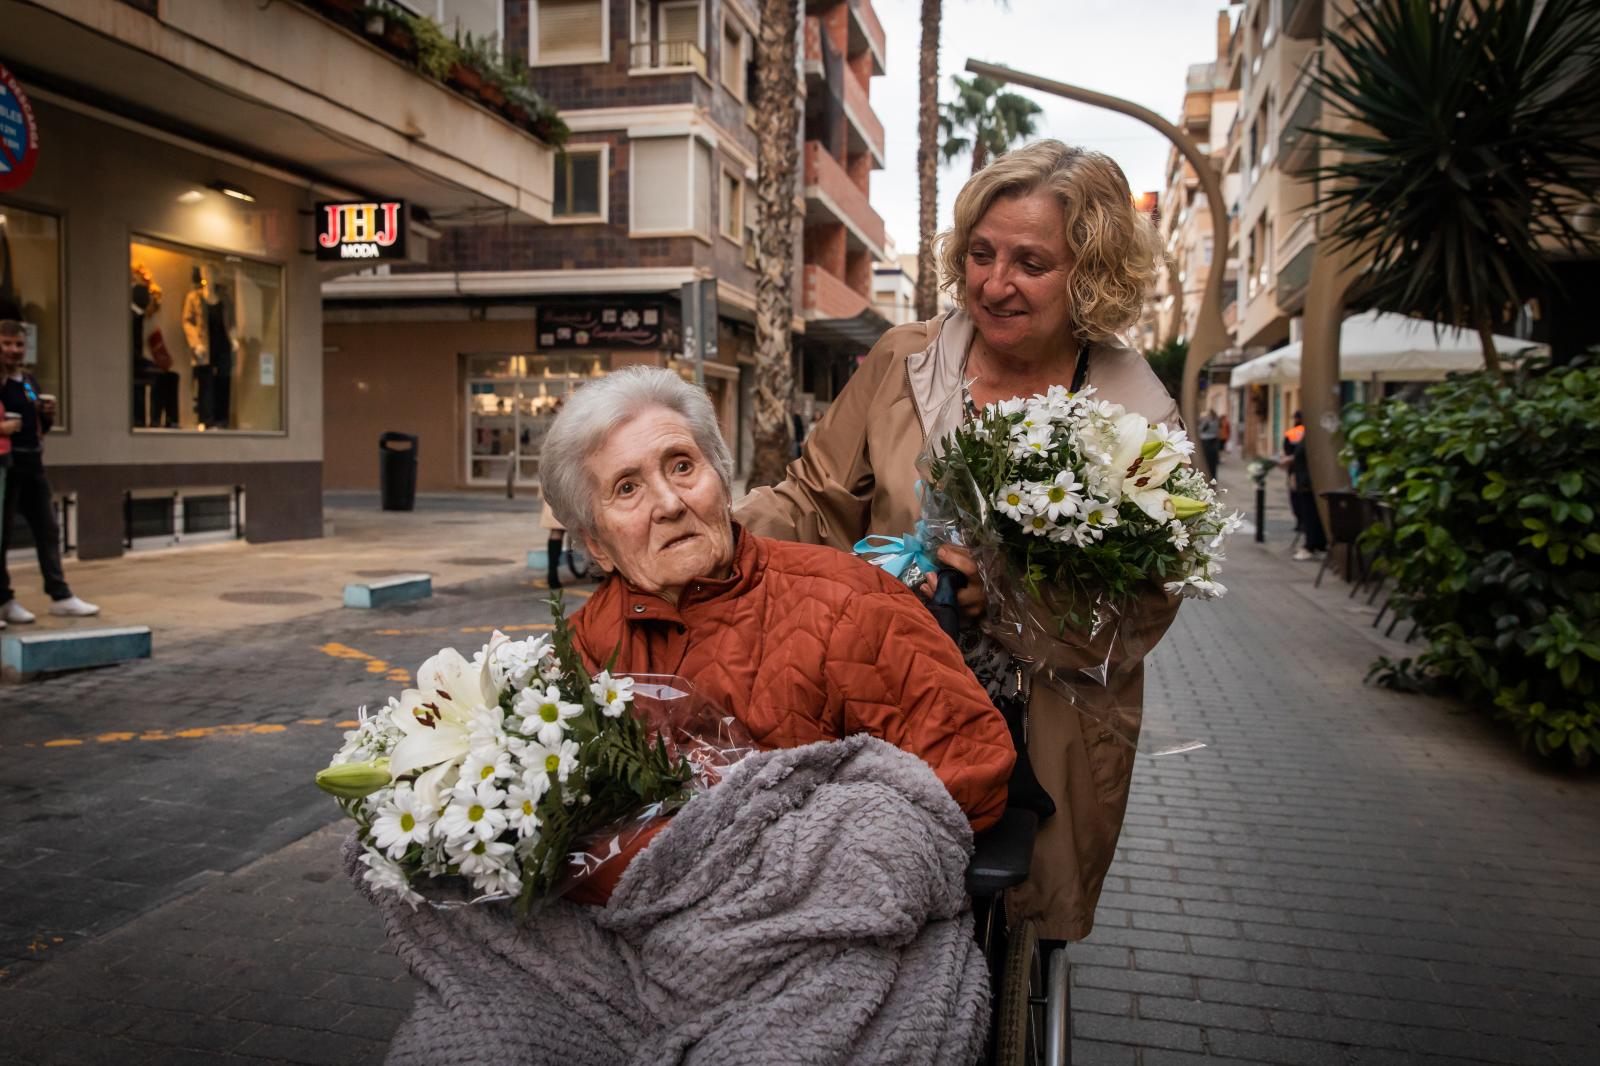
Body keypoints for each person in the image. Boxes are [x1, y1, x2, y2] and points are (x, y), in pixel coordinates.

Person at [736, 140, 1183, 942]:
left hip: (1043, 730)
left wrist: (1006, 595)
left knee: (1011, 926)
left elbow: (1142, 607)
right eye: (980, 253)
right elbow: (814, 498)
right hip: (879, 700)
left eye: (1030, 263)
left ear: (1090, 271)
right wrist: (711, 535)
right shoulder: (905, 362)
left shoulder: (1134, 414)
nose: (994, 283)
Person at [539, 366, 1016, 903]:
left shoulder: (850, 603)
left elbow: (971, 771)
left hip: (811, 905)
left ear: (722, 481)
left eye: (682, 466)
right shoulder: (582, 644)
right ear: (596, 543)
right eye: (627, 488)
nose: (670, 504)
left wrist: (792, 856)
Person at [0, 320, 98, 622]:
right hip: (6, 464)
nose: (14, 350)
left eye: (19, 344)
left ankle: (60, 595)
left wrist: (46, 416)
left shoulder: (29, 382)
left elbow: (39, 426)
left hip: (32, 464)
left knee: (48, 529)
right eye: (7, 343)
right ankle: (4, 599)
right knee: (1, 536)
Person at [1282, 411, 1327, 561]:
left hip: (1308, 483)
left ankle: (1311, 545)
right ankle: (1316, 544)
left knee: (1310, 514)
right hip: (1304, 480)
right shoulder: (1307, 435)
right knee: (1308, 513)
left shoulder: (1312, 436)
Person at [1198, 408, 1222, 473]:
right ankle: (1213, 477)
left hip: (1206, 443)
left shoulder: (1207, 422)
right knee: (1213, 463)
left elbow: (1201, 429)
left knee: (1207, 461)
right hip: (1214, 442)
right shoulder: (1216, 422)